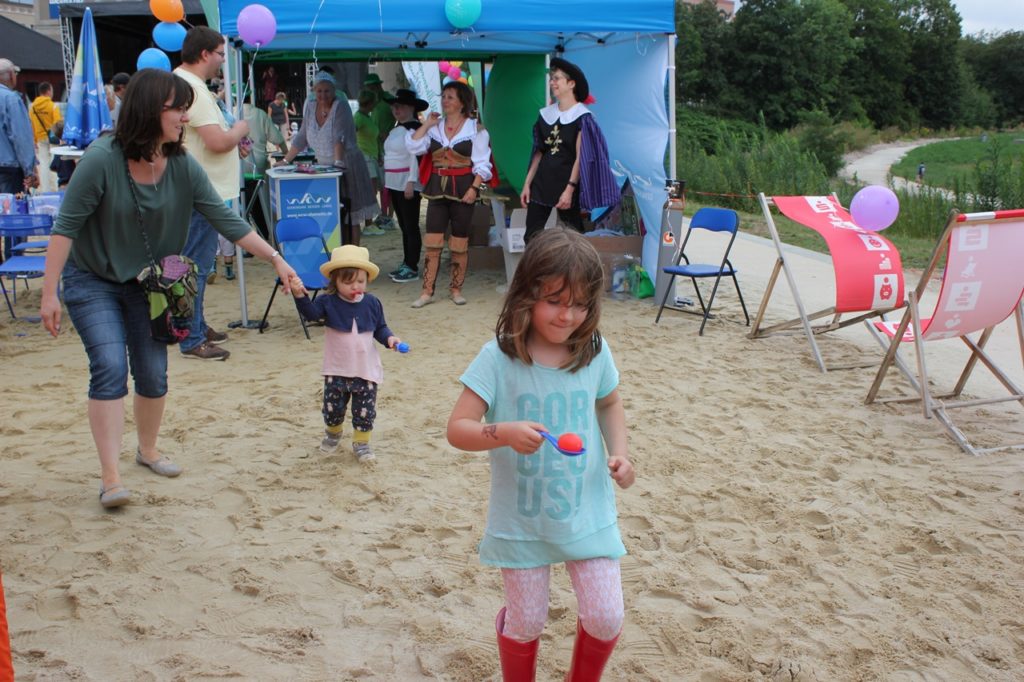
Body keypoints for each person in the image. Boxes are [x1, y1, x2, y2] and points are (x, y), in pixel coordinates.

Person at [39, 69, 302, 509]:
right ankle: (110, 477)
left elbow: (228, 221)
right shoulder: (102, 160)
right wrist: (49, 295)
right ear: (148, 110)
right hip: (93, 279)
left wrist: (276, 259)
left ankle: (148, 450)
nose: (184, 116)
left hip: (149, 285)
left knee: (153, 373)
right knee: (107, 365)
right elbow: (65, 228)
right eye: (177, 108)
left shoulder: (181, 166)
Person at [446, 228, 635, 680]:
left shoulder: (592, 350)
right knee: (527, 621)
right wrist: (503, 432)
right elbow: (458, 429)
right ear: (525, 293)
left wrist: (622, 454)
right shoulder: (497, 358)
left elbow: (608, 403)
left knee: (607, 615)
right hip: (522, 520)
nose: (567, 315)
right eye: (554, 300)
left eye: (580, 303)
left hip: (586, 510)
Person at [173, 26, 251, 360]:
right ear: (205, 54)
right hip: (201, 191)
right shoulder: (193, 88)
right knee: (196, 265)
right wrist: (239, 131)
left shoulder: (186, 85)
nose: (222, 61)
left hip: (198, 189)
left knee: (193, 262)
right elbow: (216, 142)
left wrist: (233, 141)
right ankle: (191, 337)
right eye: (221, 54)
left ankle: (196, 326)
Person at [290, 244, 402, 464]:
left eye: (360, 281)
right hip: (337, 369)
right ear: (335, 281)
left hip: (365, 370)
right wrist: (299, 295)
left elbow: (380, 327)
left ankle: (361, 444)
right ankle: (333, 435)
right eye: (348, 282)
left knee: (364, 412)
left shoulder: (372, 302)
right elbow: (311, 315)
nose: (355, 287)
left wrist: (391, 339)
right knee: (332, 409)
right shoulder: (326, 301)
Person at [405, 81, 493, 308]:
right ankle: (427, 291)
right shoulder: (434, 127)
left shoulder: (476, 129)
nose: (445, 100)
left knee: (459, 241)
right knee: (433, 240)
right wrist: (427, 124)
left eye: (450, 97)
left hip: (464, 187)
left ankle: (456, 289)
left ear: (463, 102)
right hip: (437, 188)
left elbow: (482, 164)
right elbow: (414, 146)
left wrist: (474, 189)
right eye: (444, 96)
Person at [520, 58, 619, 245]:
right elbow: (539, 152)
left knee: (573, 237)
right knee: (531, 236)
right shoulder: (545, 115)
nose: (552, 82)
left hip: (567, 185)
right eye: (551, 78)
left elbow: (581, 157)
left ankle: (576, 273)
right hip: (541, 183)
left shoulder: (582, 117)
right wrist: (527, 184)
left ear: (571, 83)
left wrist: (569, 190)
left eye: (557, 78)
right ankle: (535, 273)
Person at [278, 71, 378, 244]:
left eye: (327, 91)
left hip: (347, 164)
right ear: (314, 91)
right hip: (325, 166)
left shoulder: (341, 106)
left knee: (351, 214)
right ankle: (336, 252)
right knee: (332, 212)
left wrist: (338, 165)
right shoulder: (309, 106)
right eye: (319, 91)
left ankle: (353, 256)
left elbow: (340, 137)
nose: (323, 95)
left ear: (334, 91)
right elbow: (302, 136)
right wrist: (286, 160)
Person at [382, 88, 427, 283]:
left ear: (411, 107)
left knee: (410, 224)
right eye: (394, 106)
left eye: (399, 106)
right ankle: (407, 262)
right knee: (403, 224)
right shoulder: (397, 128)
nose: (396, 109)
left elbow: (414, 157)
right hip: (394, 181)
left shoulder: (414, 129)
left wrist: (411, 181)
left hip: (406, 182)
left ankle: (412, 265)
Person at [242, 101, 287, 240]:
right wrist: (287, 155)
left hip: (240, 165)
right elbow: (277, 138)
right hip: (259, 165)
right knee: (260, 202)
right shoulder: (260, 114)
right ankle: (264, 233)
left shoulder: (232, 113)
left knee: (244, 202)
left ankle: (247, 237)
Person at [0, 58, 38, 200]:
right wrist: (30, 171)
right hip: (8, 169)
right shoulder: (11, 99)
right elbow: (20, 137)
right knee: (12, 213)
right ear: (11, 75)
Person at [364, 73, 396, 229]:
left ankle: (388, 216)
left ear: (378, 85)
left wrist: (392, 134)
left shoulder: (389, 99)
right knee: (378, 185)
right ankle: (383, 214)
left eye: (371, 87)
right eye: (368, 87)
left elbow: (399, 117)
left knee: (387, 185)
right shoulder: (373, 102)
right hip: (374, 148)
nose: (370, 89)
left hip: (388, 148)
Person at [354, 89, 386, 237]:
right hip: (364, 157)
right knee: (370, 191)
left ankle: (369, 222)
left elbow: (374, 138)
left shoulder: (368, 117)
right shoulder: (359, 117)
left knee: (373, 190)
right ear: (370, 103)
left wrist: (378, 154)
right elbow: (351, 134)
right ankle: (368, 223)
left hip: (371, 157)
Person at [30, 81, 62, 192]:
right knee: (54, 163)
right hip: (52, 138)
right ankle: (55, 188)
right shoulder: (53, 106)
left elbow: (32, 124)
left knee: (43, 164)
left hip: (39, 137)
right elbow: (58, 123)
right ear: (48, 91)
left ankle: (45, 189)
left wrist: (34, 139)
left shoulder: (33, 107)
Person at [48, 121, 76, 189]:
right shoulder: (73, 150)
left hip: (62, 185)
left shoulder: (58, 152)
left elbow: (52, 167)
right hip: (73, 184)